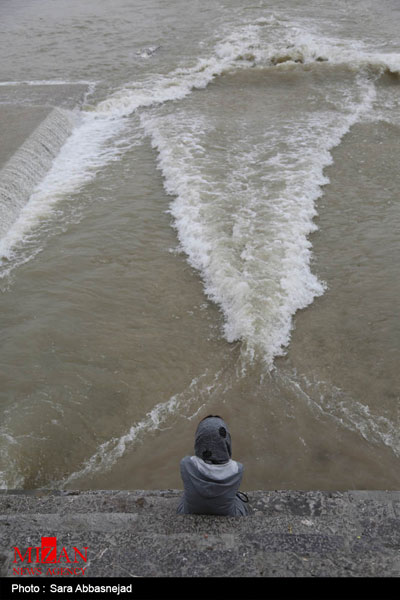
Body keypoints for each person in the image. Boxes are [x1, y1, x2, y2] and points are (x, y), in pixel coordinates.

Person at [177, 415, 249, 516]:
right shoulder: (237, 469)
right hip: (227, 513)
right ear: (226, 439)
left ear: (199, 438)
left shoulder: (186, 464)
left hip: (190, 511)